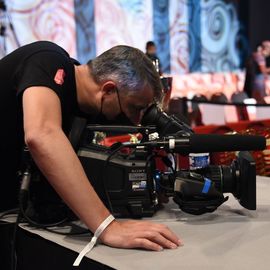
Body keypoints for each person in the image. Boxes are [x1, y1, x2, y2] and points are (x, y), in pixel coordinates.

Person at [0, 41, 181, 260]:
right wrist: (107, 226)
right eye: (135, 108)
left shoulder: (86, 111)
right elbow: (41, 135)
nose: (136, 121)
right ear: (108, 89)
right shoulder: (48, 60)